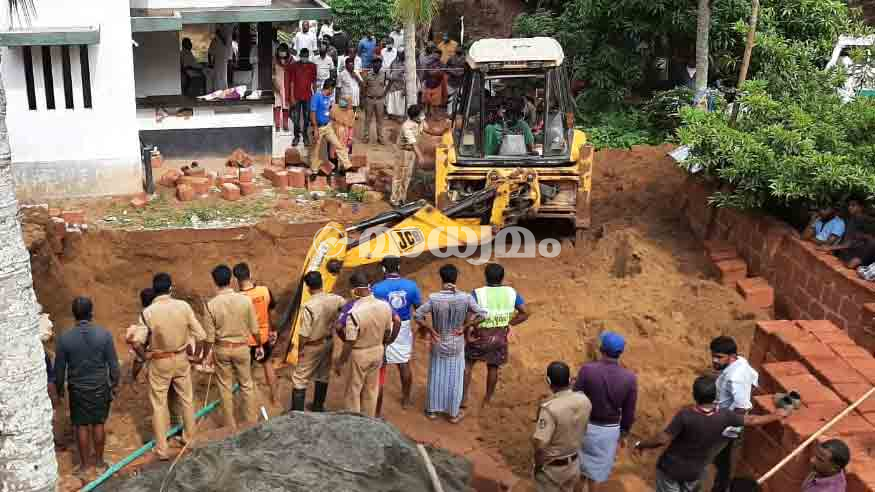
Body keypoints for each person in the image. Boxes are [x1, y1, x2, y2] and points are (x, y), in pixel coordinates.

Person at [634, 376, 787, 492]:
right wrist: (776, 415)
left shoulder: (685, 416)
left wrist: (641, 444)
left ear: (695, 395)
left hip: (671, 469)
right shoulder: (725, 416)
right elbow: (752, 420)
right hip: (695, 471)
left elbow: (662, 439)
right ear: (714, 395)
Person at [142, 273, 207, 460]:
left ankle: (162, 449)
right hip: (181, 359)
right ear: (171, 288)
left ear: (154, 290)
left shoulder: (148, 312)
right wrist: (196, 356)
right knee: (187, 399)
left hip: (160, 360)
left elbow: (137, 341)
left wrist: (144, 356)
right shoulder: (183, 306)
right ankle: (190, 439)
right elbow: (201, 335)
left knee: (158, 404)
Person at [54, 297, 120, 476]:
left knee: (81, 425)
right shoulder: (104, 334)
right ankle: (99, 463)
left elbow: (59, 369)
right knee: (98, 423)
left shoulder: (64, 339)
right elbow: (113, 364)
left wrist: (59, 389)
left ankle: (84, 467)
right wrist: (114, 384)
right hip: (100, 385)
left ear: (74, 314)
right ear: (91, 312)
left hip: (77, 388)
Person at [414, 264, 487, 424]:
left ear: (441, 278)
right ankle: (453, 414)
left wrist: (430, 330)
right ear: (456, 278)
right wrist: (466, 327)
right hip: (457, 343)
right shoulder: (465, 297)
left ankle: (432, 411)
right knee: (455, 377)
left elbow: (418, 315)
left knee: (436, 374)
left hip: (438, 341)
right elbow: (483, 315)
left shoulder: (434, 298)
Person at [573, 331, 638, 490]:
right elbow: (629, 412)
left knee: (579, 471)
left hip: (585, 427)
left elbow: (575, 398)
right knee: (595, 474)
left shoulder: (587, 370)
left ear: (601, 349)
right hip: (609, 432)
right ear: (620, 353)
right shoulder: (629, 378)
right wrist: (624, 433)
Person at [463, 263, 529, 408]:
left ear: (485, 276)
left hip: (480, 335)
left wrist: (467, 334)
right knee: (493, 367)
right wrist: (509, 323)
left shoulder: (477, 293)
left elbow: (468, 316)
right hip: (499, 336)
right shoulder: (511, 292)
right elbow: (525, 312)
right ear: (502, 277)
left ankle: (463, 399)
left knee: (468, 364)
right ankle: (487, 400)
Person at [335, 272, 400, 417]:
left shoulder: (354, 312)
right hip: (378, 350)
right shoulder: (384, 305)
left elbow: (349, 340)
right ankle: (369, 420)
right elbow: (396, 322)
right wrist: (388, 342)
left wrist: (341, 361)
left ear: (356, 290)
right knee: (371, 390)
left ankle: (353, 424)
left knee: (353, 391)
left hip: (360, 354)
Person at [204, 265, 261, 430]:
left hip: (221, 349)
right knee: (246, 384)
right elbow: (255, 329)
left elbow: (209, 336)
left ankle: (230, 426)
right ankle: (251, 423)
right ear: (231, 280)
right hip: (242, 348)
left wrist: (207, 354)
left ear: (215, 282)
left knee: (224, 387)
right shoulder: (245, 300)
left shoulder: (210, 305)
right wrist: (258, 345)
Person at [532, 361, 592, 492]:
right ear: (570, 379)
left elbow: (540, 446)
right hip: (574, 465)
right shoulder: (585, 400)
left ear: (548, 381)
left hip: (552, 470)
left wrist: (538, 466)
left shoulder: (549, 409)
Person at [710, 336, 759, 492]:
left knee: (721, 462)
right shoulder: (741, 362)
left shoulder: (735, 378)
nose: (714, 360)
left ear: (731, 357)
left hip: (726, 428)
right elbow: (754, 379)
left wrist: (727, 427)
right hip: (724, 420)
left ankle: (719, 488)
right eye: (713, 355)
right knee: (722, 460)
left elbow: (741, 407)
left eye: (719, 357)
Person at [291, 271, 345, 412]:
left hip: (312, 345)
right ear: (321, 283)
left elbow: (304, 334)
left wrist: (301, 349)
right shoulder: (336, 298)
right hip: (328, 342)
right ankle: (318, 407)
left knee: (299, 378)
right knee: (323, 374)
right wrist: (337, 321)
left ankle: (297, 415)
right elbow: (345, 309)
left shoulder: (309, 306)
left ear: (308, 288)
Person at [373, 256, 422, 410]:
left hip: (384, 327)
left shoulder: (376, 288)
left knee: (380, 368)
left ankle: (377, 407)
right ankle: (406, 400)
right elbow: (419, 309)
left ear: (383, 269)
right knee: (404, 364)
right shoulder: (411, 286)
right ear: (399, 267)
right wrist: (423, 327)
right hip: (404, 327)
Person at [233, 263, 279, 407]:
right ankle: (275, 399)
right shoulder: (265, 291)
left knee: (245, 373)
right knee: (267, 365)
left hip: (245, 340)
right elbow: (271, 312)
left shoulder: (236, 298)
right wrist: (273, 330)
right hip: (263, 336)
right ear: (250, 273)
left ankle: (250, 404)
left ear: (236, 279)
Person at [391, 104, 445, 206]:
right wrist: (420, 157)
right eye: (421, 113)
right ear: (415, 116)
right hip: (403, 152)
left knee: (408, 176)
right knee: (399, 176)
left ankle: (402, 198)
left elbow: (430, 130)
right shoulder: (406, 126)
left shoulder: (421, 122)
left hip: (411, 152)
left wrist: (444, 131)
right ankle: (394, 200)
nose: (423, 115)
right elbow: (413, 143)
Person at [820, 198, 875, 269]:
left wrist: (830, 247)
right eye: (849, 205)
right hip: (845, 256)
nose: (850, 207)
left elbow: (853, 242)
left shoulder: (864, 221)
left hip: (856, 259)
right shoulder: (851, 219)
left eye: (853, 205)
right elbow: (847, 239)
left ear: (861, 207)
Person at [310, 80, 352, 172]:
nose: (333, 92)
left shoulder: (328, 97)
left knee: (338, 144)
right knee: (316, 150)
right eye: (333, 89)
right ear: (330, 88)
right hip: (319, 127)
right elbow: (312, 113)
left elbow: (327, 110)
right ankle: (314, 170)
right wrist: (315, 128)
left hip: (328, 126)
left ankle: (348, 166)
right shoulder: (317, 97)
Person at [125, 287, 158, 384]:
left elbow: (136, 344)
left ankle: (134, 378)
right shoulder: (157, 312)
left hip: (148, 341)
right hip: (156, 343)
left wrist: (143, 356)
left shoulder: (144, 314)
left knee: (139, 359)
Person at [290, 48, 317, 146]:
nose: (304, 58)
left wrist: (315, 96)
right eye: (302, 57)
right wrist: (292, 96)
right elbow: (292, 82)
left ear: (308, 56)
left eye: (306, 57)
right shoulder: (294, 66)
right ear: (300, 56)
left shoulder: (312, 66)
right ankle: (296, 136)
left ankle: (305, 136)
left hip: (308, 96)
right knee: (296, 118)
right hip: (296, 96)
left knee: (306, 118)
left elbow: (314, 82)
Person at [361, 56, 387, 145]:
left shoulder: (384, 74)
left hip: (380, 100)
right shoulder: (368, 74)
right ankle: (366, 136)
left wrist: (385, 93)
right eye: (375, 62)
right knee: (367, 119)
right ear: (372, 64)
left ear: (381, 64)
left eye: (379, 62)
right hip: (369, 100)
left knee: (380, 120)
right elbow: (363, 87)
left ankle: (380, 137)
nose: (377, 64)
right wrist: (364, 99)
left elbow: (390, 82)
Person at [272, 43, 294, 131]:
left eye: (283, 52)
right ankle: (277, 124)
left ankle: (285, 125)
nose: (282, 54)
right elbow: (272, 73)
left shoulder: (291, 60)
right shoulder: (274, 59)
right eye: (280, 51)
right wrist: (274, 83)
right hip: (276, 84)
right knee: (276, 105)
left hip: (287, 85)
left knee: (286, 105)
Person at [329, 95, 356, 165]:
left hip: (345, 136)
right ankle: (333, 167)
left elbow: (351, 127)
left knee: (344, 153)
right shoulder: (334, 108)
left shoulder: (350, 112)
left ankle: (343, 169)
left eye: (345, 100)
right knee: (333, 152)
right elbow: (330, 120)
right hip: (334, 134)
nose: (342, 102)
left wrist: (350, 138)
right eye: (342, 99)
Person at [208, 26, 232, 91]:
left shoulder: (227, 40)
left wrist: (230, 61)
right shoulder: (214, 40)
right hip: (217, 61)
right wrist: (210, 63)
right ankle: (217, 91)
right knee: (218, 77)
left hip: (224, 62)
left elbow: (229, 52)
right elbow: (209, 52)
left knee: (224, 77)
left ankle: (224, 90)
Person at [386, 51, 408, 119]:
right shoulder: (394, 62)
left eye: (402, 54)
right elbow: (388, 71)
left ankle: (400, 116)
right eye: (399, 54)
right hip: (392, 85)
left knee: (400, 103)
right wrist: (389, 76)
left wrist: (405, 89)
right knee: (391, 102)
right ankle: (390, 115)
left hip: (401, 86)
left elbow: (407, 78)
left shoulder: (406, 64)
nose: (400, 55)